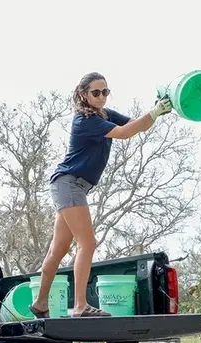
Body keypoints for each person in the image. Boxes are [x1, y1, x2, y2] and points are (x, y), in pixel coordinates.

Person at [30, 72, 173, 318]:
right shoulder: (84, 120)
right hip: (70, 184)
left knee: (59, 249)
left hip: (71, 186)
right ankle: (80, 306)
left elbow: (134, 125)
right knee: (88, 243)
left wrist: (156, 110)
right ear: (84, 94)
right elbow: (125, 133)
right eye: (96, 92)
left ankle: (41, 303)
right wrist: (155, 112)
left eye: (105, 92)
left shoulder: (104, 115)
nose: (101, 97)